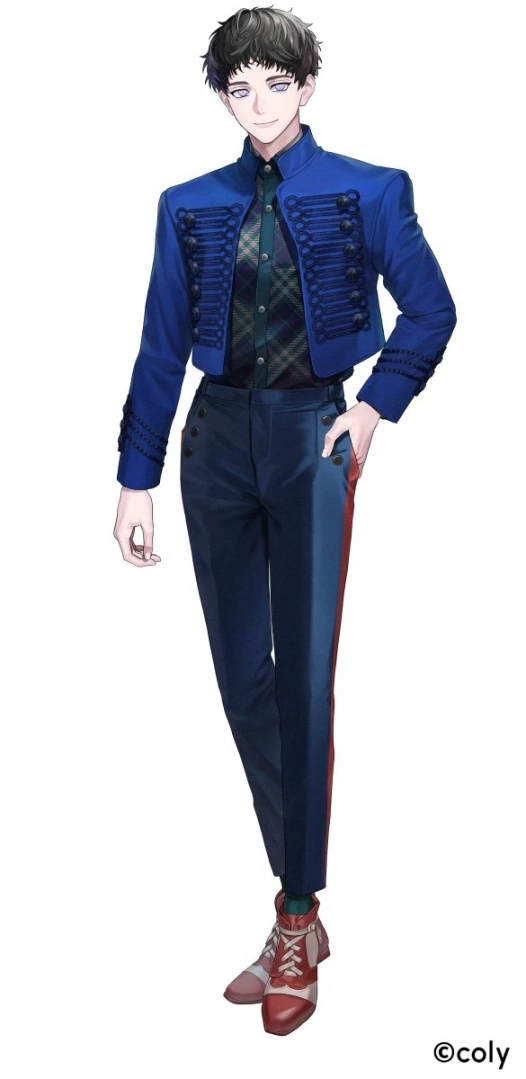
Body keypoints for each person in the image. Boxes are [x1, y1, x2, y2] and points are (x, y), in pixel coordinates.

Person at [113, 5, 457, 1036]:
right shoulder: (188, 202)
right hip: (215, 443)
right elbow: (160, 341)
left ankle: (296, 914)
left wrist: (373, 407)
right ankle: (297, 885)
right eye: (239, 85)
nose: (257, 102)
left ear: (307, 86)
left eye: (275, 81)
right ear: (221, 94)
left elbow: (432, 310)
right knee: (242, 681)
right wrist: (134, 476)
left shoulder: (371, 188)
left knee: (305, 681)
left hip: (314, 438)